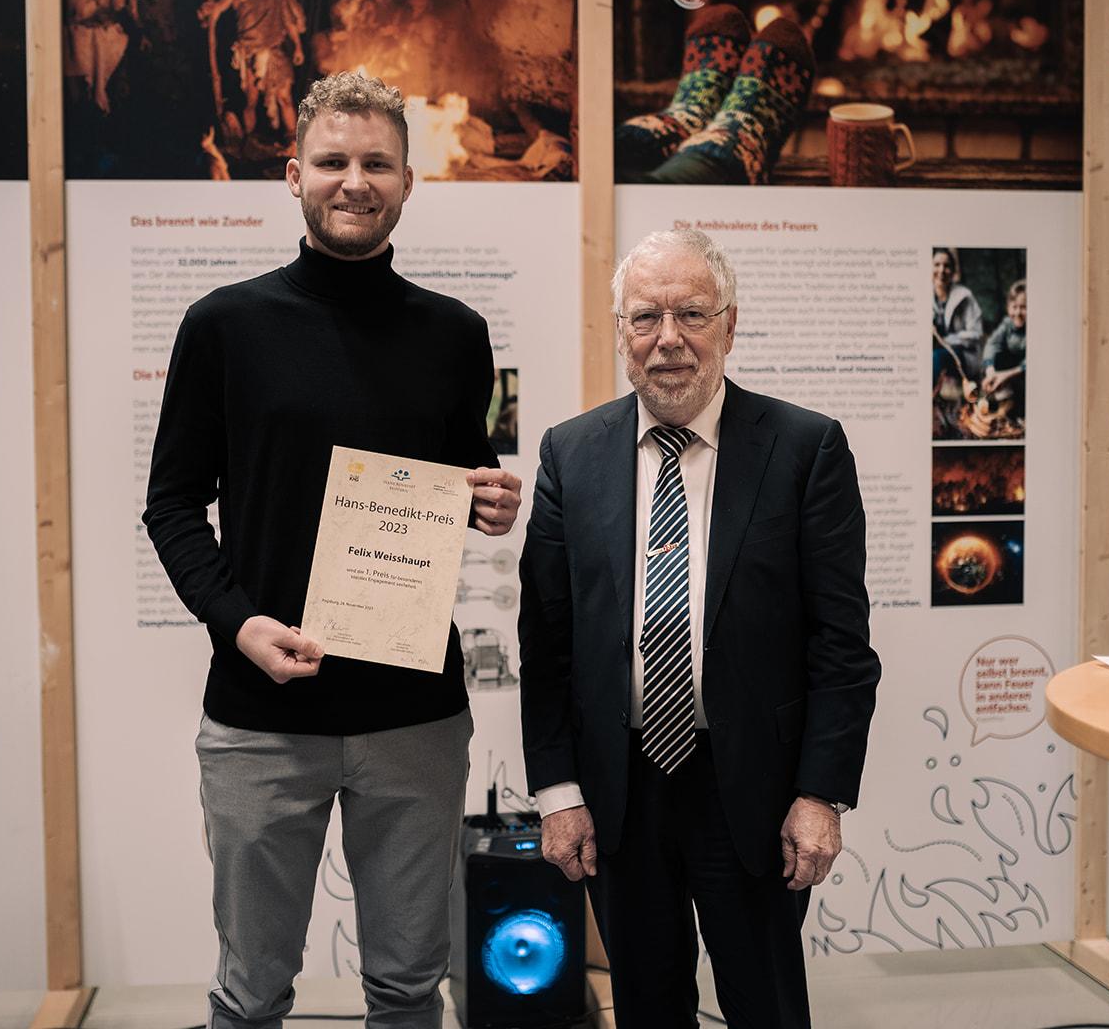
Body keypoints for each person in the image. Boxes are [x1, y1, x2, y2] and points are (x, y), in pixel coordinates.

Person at [144, 72, 522, 1029]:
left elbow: (458, 478)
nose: (354, 181)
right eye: (333, 161)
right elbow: (173, 505)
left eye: (376, 163)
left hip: (415, 718)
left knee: (406, 987)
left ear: (407, 182)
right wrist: (239, 626)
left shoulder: (455, 335)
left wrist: (488, 501)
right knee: (251, 991)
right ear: (293, 174)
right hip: (263, 717)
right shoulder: (224, 327)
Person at [518, 229, 879, 1027]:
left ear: (729, 325)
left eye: (691, 314)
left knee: (766, 1008)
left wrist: (821, 794)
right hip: (621, 789)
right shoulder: (570, 456)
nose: (668, 339)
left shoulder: (804, 448)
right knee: (646, 1008)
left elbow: (841, 646)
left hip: (751, 789)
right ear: (621, 333)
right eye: (645, 318)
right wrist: (556, 792)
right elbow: (545, 642)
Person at [199, 0, 306, 138]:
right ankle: (248, 140)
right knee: (251, 100)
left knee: (284, 98)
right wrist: (209, 13)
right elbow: (219, 7)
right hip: (249, 53)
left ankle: (293, 141)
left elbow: (288, 19)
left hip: (274, 51)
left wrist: (297, 46)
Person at [932, 246, 983, 388]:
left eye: (946, 266)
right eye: (937, 265)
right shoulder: (924, 297)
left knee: (935, 357)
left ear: (953, 271)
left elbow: (976, 334)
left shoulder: (964, 297)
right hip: (935, 355)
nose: (941, 270)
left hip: (964, 357)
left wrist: (948, 340)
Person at [981, 278, 1027, 417]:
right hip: (1010, 377)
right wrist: (990, 371)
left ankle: (1016, 408)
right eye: (1014, 307)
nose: (1018, 313)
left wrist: (1006, 375)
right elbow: (992, 344)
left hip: (1024, 376)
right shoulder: (1007, 324)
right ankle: (1003, 403)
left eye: (1024, 307)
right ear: (1008, 308)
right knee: (997, 356)